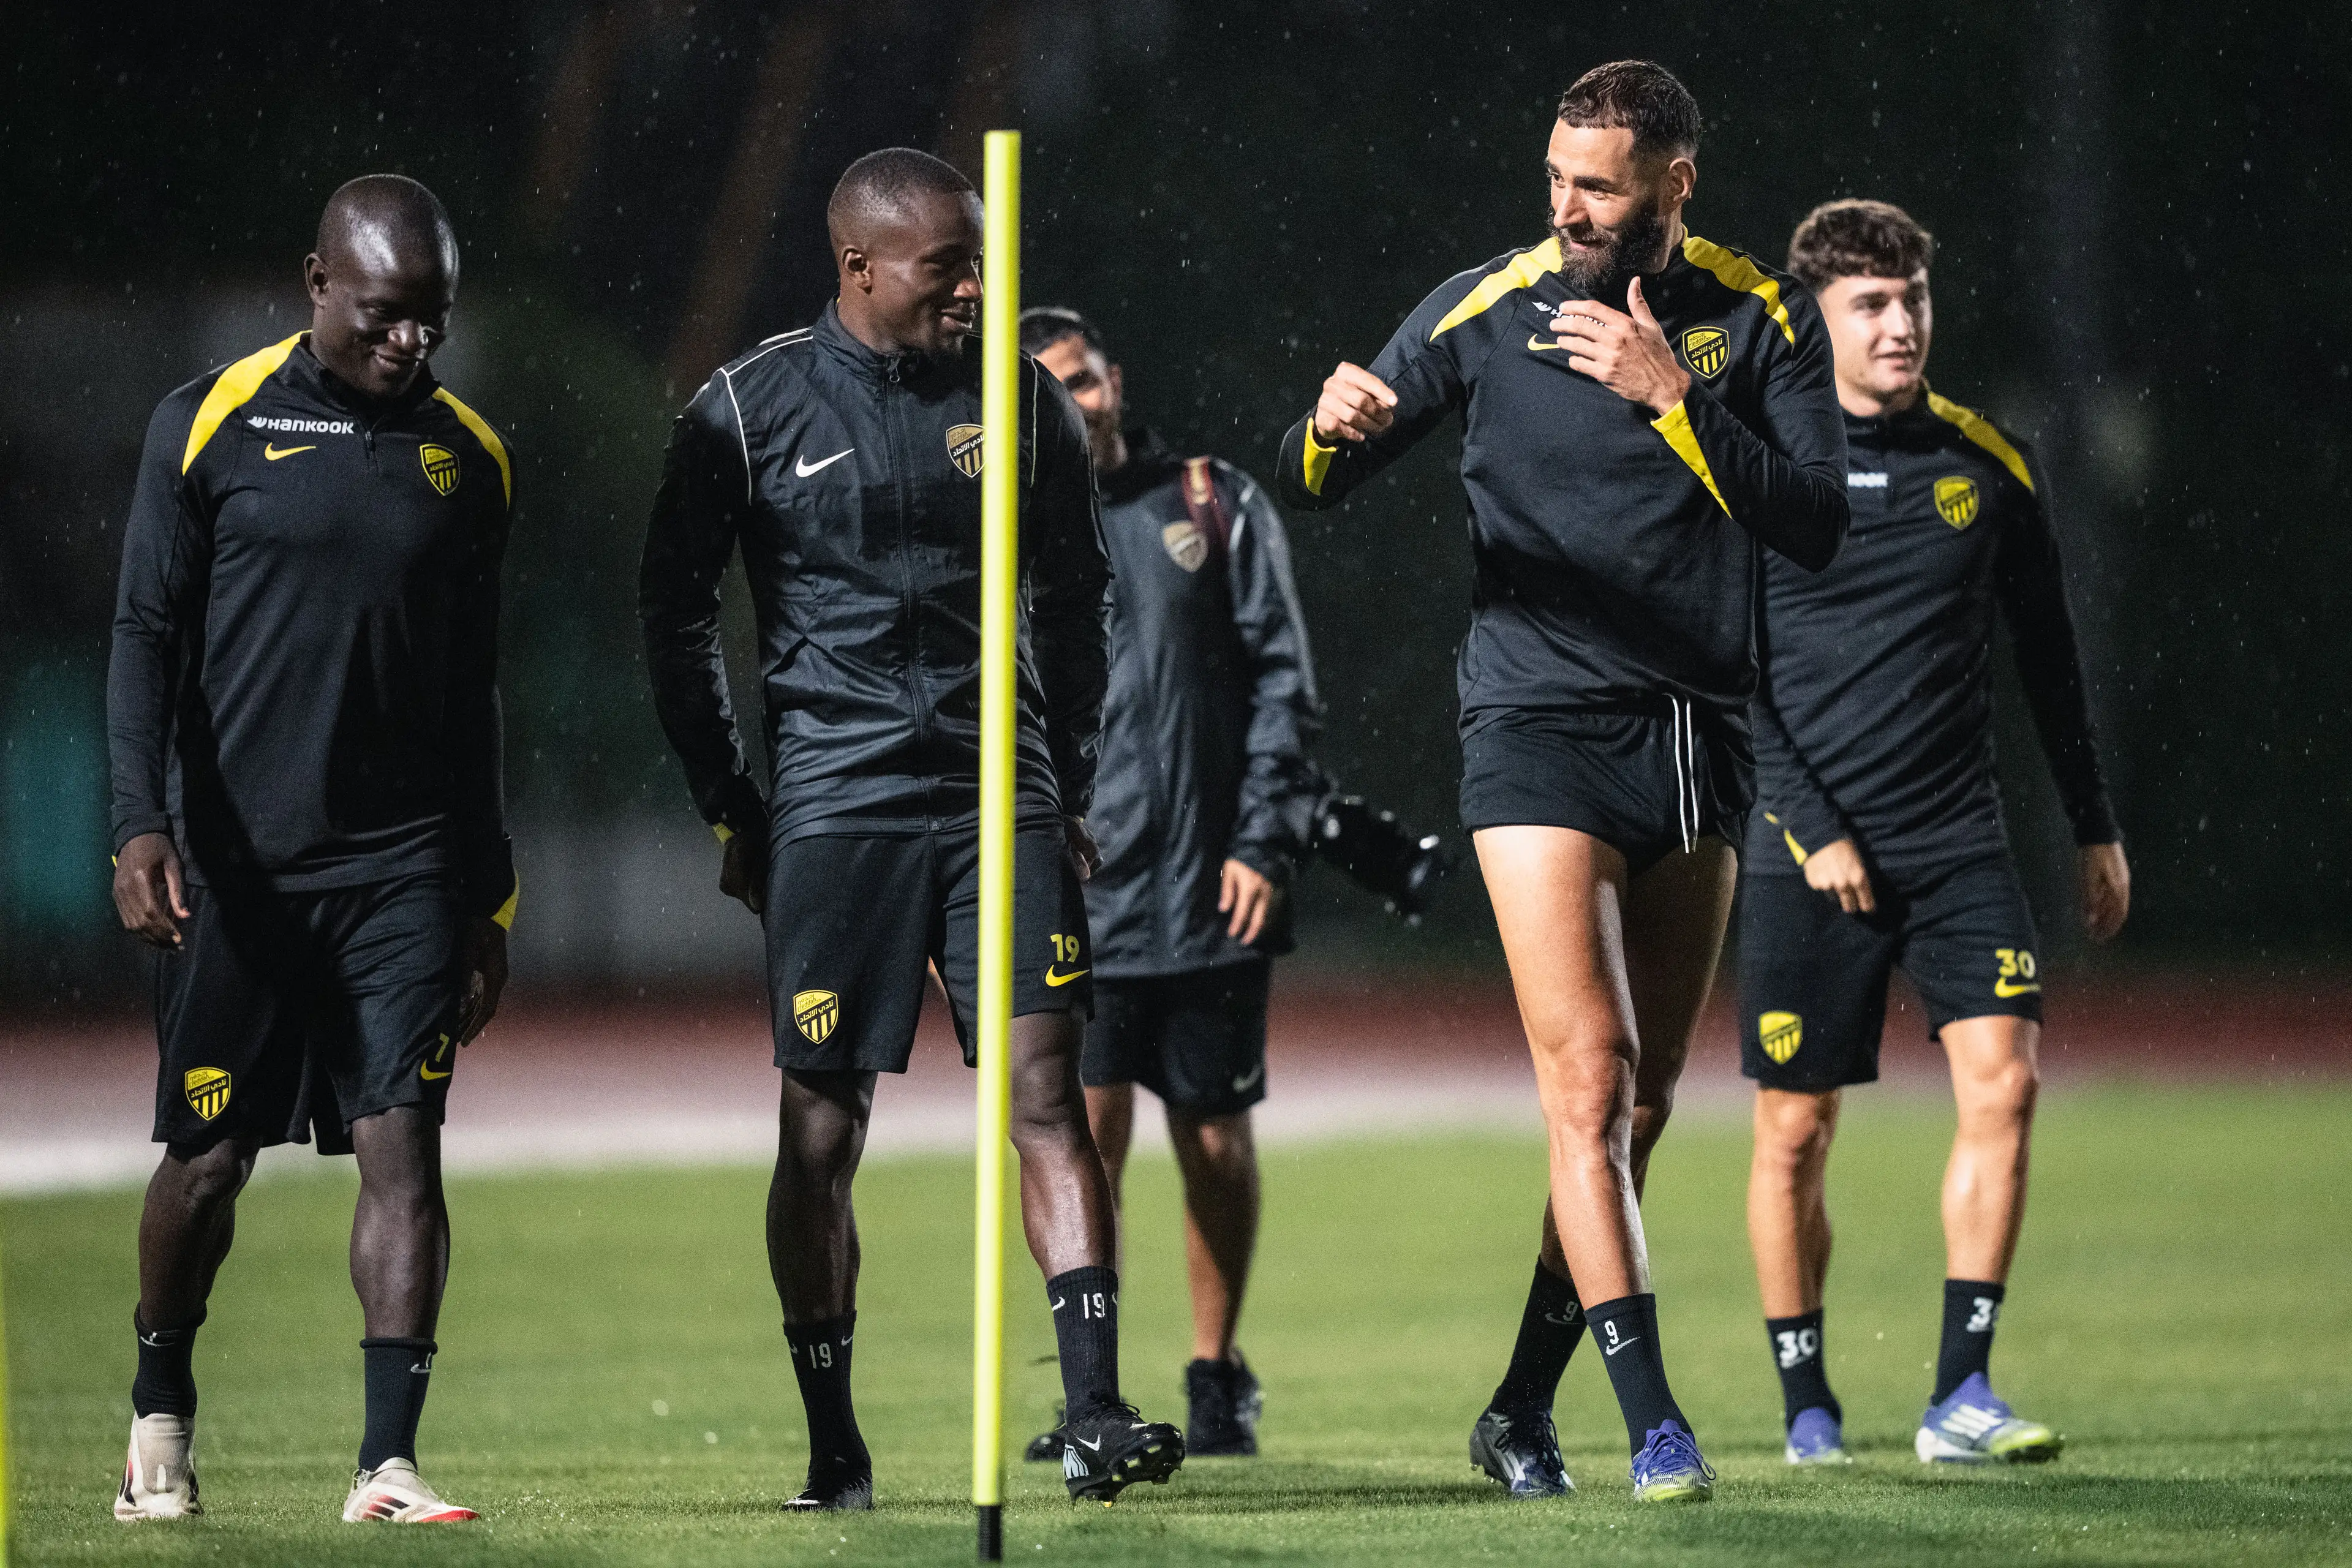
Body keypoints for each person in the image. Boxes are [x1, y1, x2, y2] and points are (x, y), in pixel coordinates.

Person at [1276, 61, 1849, 1501]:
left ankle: (1519, 1405)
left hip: (1700, 739)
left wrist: (1673, 402)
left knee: (1644, 1104)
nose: (1567, 208)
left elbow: (1820, 525)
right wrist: (1325, 429)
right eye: (1555, 179)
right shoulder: (1493, 303)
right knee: (1586, 1079)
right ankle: (1655, 1421)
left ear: (1677, 183)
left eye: (1597, 185)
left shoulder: (1758, 318)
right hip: (1537, 722)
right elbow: (1326, 470)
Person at [639, 148, 1183, 1511]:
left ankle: (1097, 1407)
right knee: (821, 1132)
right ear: (862, 266)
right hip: (837, 807)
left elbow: (1080, 596)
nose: (978, 290)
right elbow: (673, 613)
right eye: (952, 268)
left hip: (1004, 794)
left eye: (984, 263)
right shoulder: (749, 409)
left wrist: (1067, 773)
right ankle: (835, 1444)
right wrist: (733, 799)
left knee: (1048, 1093)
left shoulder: (1021, 399)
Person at [105, 175, 516, 1525]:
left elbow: (475, 693)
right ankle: (158, 1416)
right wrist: (138, 821)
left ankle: (385, 1464)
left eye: (435, 322)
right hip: (241, 867)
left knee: (406, 1143)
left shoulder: (472, 459)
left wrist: (485, 891)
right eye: (391, 317)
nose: (414, 346)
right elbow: (144, 640)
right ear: (318, 283)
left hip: (402, 868)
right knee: (208, 1161)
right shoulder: (209, 421)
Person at [1740, 198, 2130, 1468]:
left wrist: (2092, 826)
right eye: (1871, 303)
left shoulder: (1989, 464)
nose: (1900, 322)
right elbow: (1725, 666)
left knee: (2006, 1083)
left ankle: (1961, 1393)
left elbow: (2050, 662)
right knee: (1795, 1129)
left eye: (1912, 297)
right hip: (1807, 851)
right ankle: (1807, 1404)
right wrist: (1808, 823)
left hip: (1957, 841)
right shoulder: (1759, 459)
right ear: (1817, 319)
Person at [1016, 305, 1323, 1458]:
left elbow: (1285, 683)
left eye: (1086, 382)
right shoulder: (1010, 537)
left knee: (1210, 1136)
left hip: (1209, 885)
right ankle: (1091, 1392)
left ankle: (1214, 1371)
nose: (1076, 405)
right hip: (1078, 894)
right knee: (1076, 1133)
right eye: (1051, 390)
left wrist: (1266, 844)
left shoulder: (1210, 500)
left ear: (1115, 380)